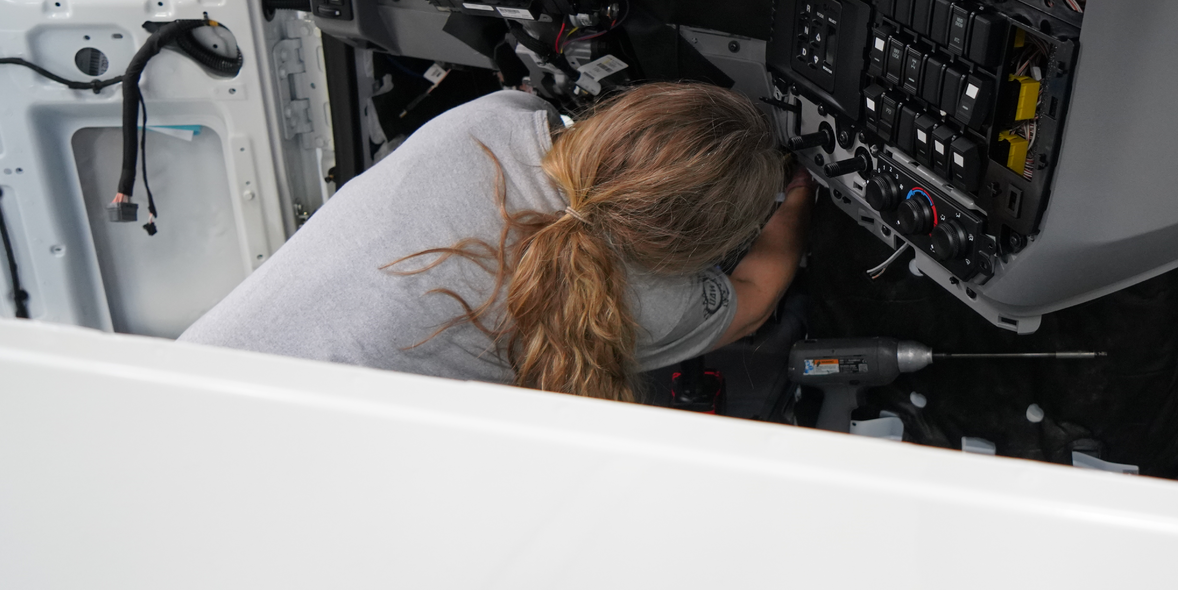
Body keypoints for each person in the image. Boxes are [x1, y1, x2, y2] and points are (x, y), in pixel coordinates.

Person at [180, 82, 808, 401]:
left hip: (168, 388)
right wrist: (796, 198)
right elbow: (756, 291)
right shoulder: (644, 301)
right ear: (698, 242)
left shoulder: (489, 118)